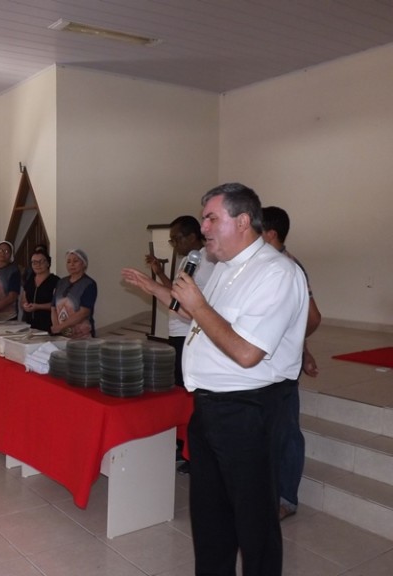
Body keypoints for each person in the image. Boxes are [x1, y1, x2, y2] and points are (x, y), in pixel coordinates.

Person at [122, 183, 309, 576]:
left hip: (248, 408)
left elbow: (246, 353)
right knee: (210, 517)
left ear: (243, 221)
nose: (203, 227)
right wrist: (157, 288)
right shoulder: (226, 268)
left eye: (211, 218)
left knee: (253, 523)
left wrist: (200, 304)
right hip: (209, 405)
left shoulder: (277, 273)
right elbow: (205, 320)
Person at [262, 205, 322, 521]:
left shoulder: (288, 267)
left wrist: (293, 346)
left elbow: (311, 318)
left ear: (270, 234)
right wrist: (303, 349)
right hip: (266, 365)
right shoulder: (264, 264)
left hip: (280, 367)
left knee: (286, 430)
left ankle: (286, 498)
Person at [145, 216, 214, 388]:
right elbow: (176, 293)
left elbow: (208, 300)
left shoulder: (208, 261)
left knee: (187, 383)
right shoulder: (188, 259)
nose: (174, 244)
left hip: (191, 332)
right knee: (177, 380)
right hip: (177, 331)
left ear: (191, 237)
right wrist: (159, 273)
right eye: (172, 240)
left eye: (176, 239)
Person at [51, 249, 97, 338]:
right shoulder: (61, 282)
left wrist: (60, 327)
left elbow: (84, 312)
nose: (71, 264)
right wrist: (57, 327)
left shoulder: (89, 284)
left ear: (84, 264)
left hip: (81, 333)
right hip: (61, 333)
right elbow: (53, 308)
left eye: (75, 261)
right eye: (68, 262)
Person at [20, 247, 59, 332]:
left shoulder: (56, 281)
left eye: (41, 261)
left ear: (48, 263)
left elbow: (57, 305)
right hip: (30, 326)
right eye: (34, 262)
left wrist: (38, 307)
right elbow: (23, 300)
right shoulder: (29, 280)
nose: (38, 265)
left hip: (48, 325)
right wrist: (25, 305)